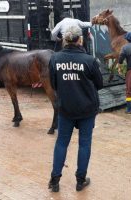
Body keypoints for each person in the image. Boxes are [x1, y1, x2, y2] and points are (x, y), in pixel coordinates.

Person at [48, 26, 103, 192]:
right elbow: (99, 84)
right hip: (87, 109)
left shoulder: (55, 59)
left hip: (65, 109)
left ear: (65, 39)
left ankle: (55, 180)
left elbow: (54, 84)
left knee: (62, 143)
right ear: (80, 40)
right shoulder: (89, 61)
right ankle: (80, 180)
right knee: (84, 144)